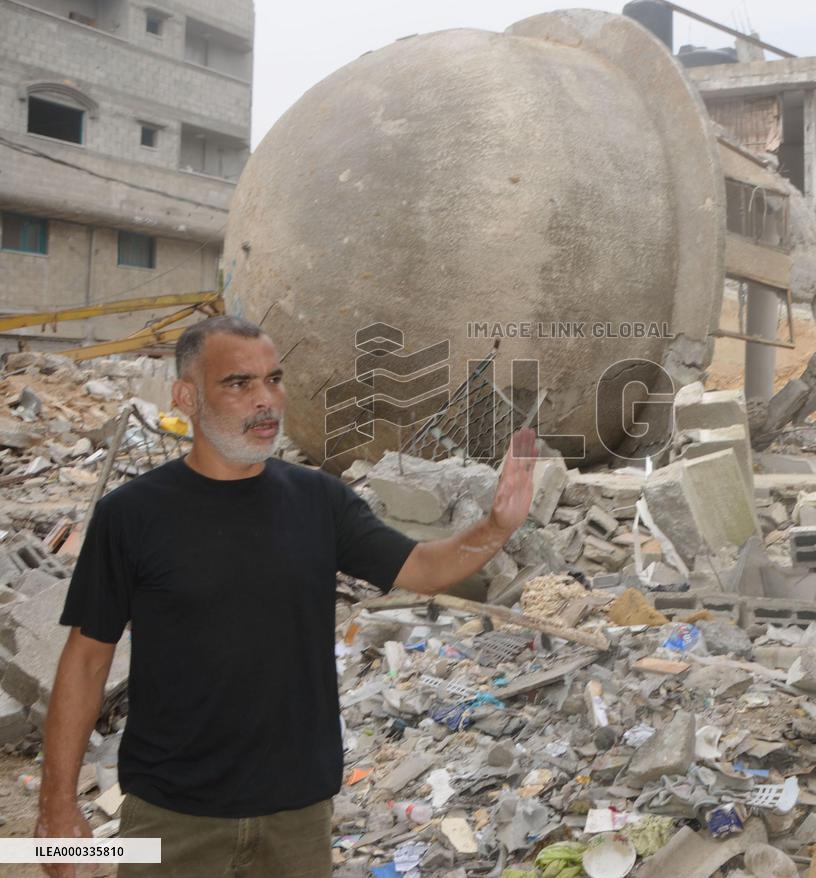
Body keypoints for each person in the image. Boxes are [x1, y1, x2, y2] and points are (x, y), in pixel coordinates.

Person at [35, 314, 538, 877]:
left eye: (274, 379)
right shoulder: (130, 517)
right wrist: (57, 806)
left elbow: (422, 568)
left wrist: (496, 526)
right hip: (172, 819)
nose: (265, 400)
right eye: (238, 383)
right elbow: (86, 659)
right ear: (186, 396)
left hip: (296, 820)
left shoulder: (319, 501)